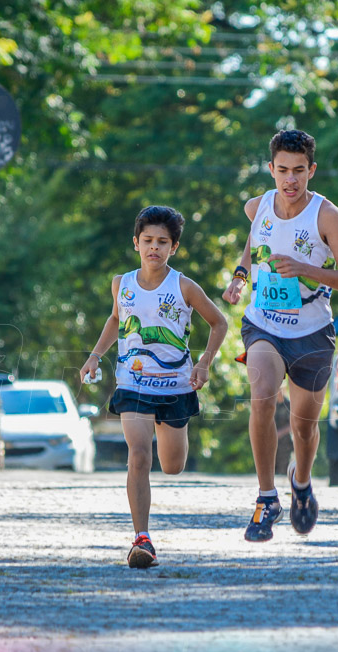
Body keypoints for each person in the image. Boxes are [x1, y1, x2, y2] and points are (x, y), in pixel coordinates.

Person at [223, 129, 338, 543]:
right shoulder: (258, 205)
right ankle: (267, 498)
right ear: (271, 170)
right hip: (263, 324)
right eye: (282, 170)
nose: (290, 180)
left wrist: (306, 269)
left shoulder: (326, 216)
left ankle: (300, 481)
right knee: (262, 394)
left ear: (311, 170)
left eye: (299, 171)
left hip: (311, 330)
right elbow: (255, 240)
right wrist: (240, 276)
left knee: (304, 427)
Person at [80, 205, 227, 569]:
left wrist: (204, 363)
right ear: (136, 243)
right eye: (148, 241)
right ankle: (141, 539)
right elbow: (116, 319)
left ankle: (169, 439)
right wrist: (96, 355)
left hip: (176, 384)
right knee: (139, 456)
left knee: (172, 465)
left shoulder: (185, 287)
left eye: (163, 242)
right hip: (133, 381)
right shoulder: (122, 284)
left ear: (173, 247)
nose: (154, 248)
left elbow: (219, 323)